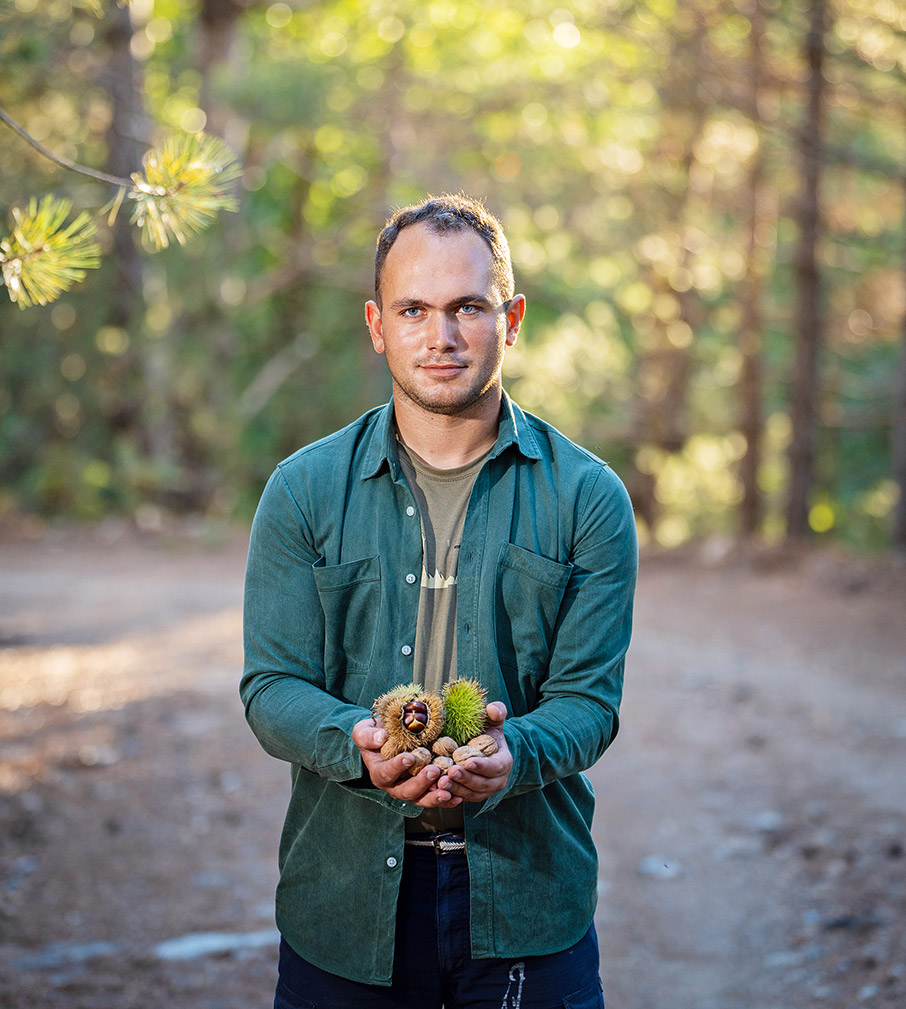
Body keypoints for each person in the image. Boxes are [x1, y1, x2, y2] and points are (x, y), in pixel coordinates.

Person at [241, 192, 637, 1009]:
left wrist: (512, 753)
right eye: (413, 309)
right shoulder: (303, 490)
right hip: (342, 904)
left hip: (528, 902)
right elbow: (270, 686)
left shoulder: (588, 497)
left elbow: (589, 703)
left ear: (512, 318)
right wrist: (358, 742)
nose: (442, 336)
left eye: (468, 307)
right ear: (377, 324)